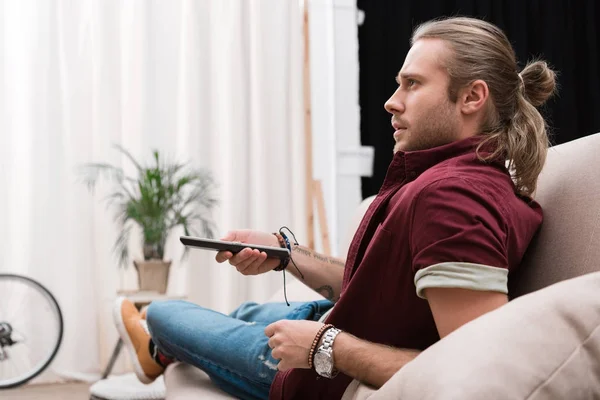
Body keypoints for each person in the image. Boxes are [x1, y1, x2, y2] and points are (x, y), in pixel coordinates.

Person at [113, 16, 557, 400]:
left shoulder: (453, 198)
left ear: (472, 98)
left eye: (412, 84)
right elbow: (374, 286)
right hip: (346, 328)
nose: (391, 101)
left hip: (319, 376)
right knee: (251, 314)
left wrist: (326, 347)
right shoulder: (459, 180)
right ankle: (166, 350)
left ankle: (160, 347)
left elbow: (474, 372)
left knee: (163, 313)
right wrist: (284, 254)